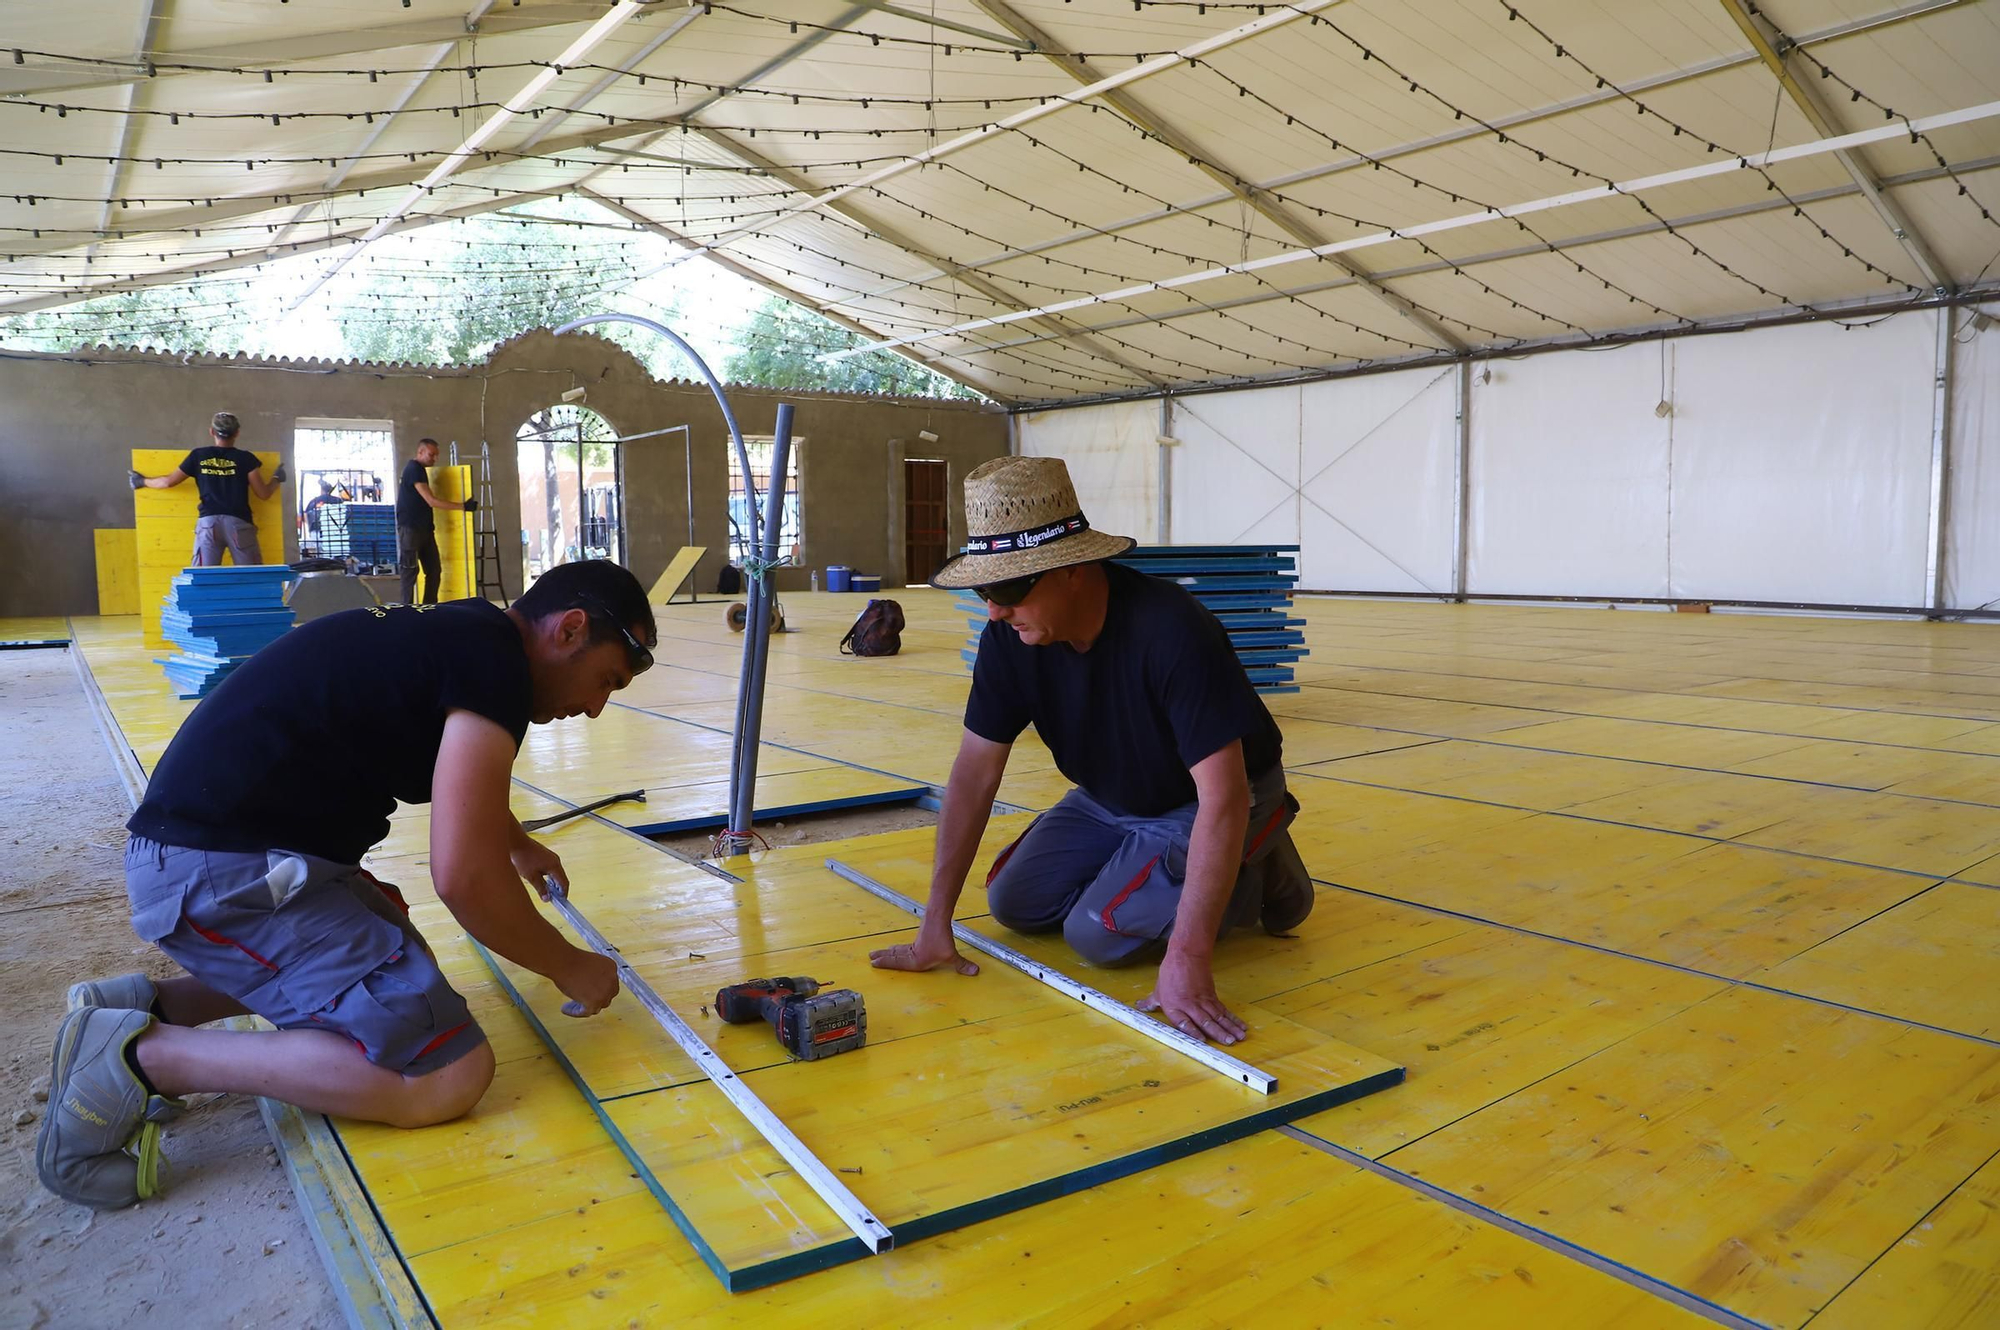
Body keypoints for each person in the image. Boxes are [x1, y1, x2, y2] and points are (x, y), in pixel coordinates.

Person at [37, 559, 657, 1210]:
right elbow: (464, 880)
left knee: (392, 945)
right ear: (571, 629)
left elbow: (461, 784)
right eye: (605, 681)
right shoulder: (496, 669)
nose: (593, 707)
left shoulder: (470, 635)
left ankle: (148, 1005)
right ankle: (141, 1059)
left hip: (218, 854)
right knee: (446, 1070)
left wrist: (519, 844)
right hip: (218, 872)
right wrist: (568, 965)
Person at [869, 457, 1312, 1046]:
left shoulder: (1172, 628)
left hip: (1215, 796)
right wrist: (934, 925)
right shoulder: (1009, 635)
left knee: (1097, 936)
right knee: (1013, 902)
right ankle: (1161, 867)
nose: (994, 610)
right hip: (1110, 794)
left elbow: (1224, 793)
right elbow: (975, 772)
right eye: (984, 589)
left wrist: (1187, 956)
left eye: (1006, 587)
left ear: (1072, 569)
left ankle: (1258, 870)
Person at [128, 412, 286, 566]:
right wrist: (277, 479)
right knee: (252, 578)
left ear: (212, 431)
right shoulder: (246, 459)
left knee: (204, 580)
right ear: (237, 433)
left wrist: (141, 481)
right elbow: (263, 494)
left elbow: (168, 482)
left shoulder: (199, 456)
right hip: (239, 523)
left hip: (208, 525)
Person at [398, 437, 476, 605]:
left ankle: (429, 608)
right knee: (410, 571)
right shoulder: (414, 469)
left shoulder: (419, 470)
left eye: (436, 456)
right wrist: (463, 506)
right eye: (431, 455)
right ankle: (406, 610)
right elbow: (431, 501)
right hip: (411, 529)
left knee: (433, 570)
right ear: (420, 452)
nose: (434, 459)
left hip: (425, 529)